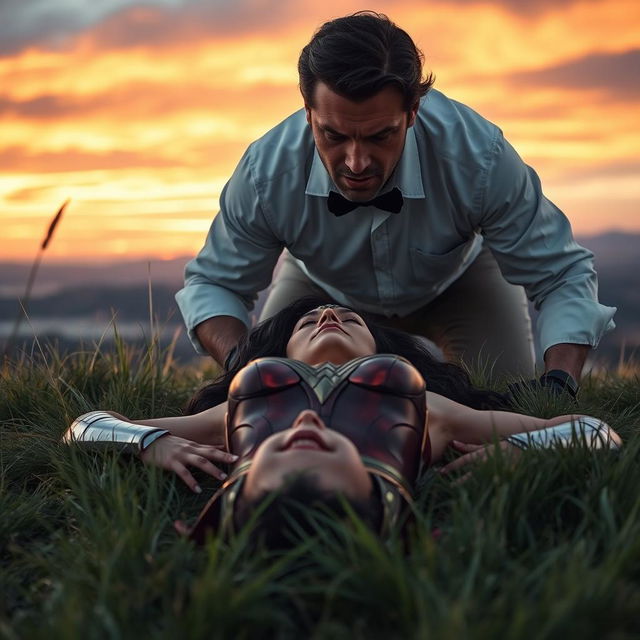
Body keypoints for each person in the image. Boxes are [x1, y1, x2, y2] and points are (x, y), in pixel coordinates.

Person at [175, 11, 616, 390]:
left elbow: (561, 274)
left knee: (496, 407)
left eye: (380, 135)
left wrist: (560, 385)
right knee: (281, 401)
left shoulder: (480, 158)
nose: (356, 161)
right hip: (321, 292)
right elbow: (214, 285)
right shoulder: (265, 173)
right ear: (308, 113)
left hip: (460, 281)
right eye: (333, 135)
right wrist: (245, 370)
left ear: (413, 112)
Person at [64, 299, 621, 545]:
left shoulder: (429, 408)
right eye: (308, 319)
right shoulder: (237, 409)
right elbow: (83, 426)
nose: (328, 315)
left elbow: (596, 432)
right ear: (280, 351)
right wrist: (152, 443)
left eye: (348, 317)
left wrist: (523, 449)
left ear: (382, 347)